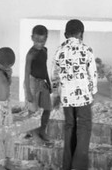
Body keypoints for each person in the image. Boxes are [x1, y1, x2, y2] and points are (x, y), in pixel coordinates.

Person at [51, 19, 98, 170]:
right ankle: (79, 166)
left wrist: (56, 94)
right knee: (84, 127)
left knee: (70, 126)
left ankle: (67, 165)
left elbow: (54, 75)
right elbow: (93, 74)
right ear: (81, 35)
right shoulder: (87, 50)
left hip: (66, 97)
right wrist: (93, 92)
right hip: (83, 97)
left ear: (65, 34)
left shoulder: (59, 51)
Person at [23, 24, 52, 142]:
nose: (40, 44)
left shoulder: (45, 50)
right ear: (32, 38)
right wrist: (28, 92)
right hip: (32, 82)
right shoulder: (31, 54)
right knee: (33, 110)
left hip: (42, 81)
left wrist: (48, 83)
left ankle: (42, 131)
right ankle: (34, 134)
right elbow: (26, 72)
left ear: (46, 38)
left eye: (42, 40)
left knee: (47, 108)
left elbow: (44, 68)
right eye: (37, 40)